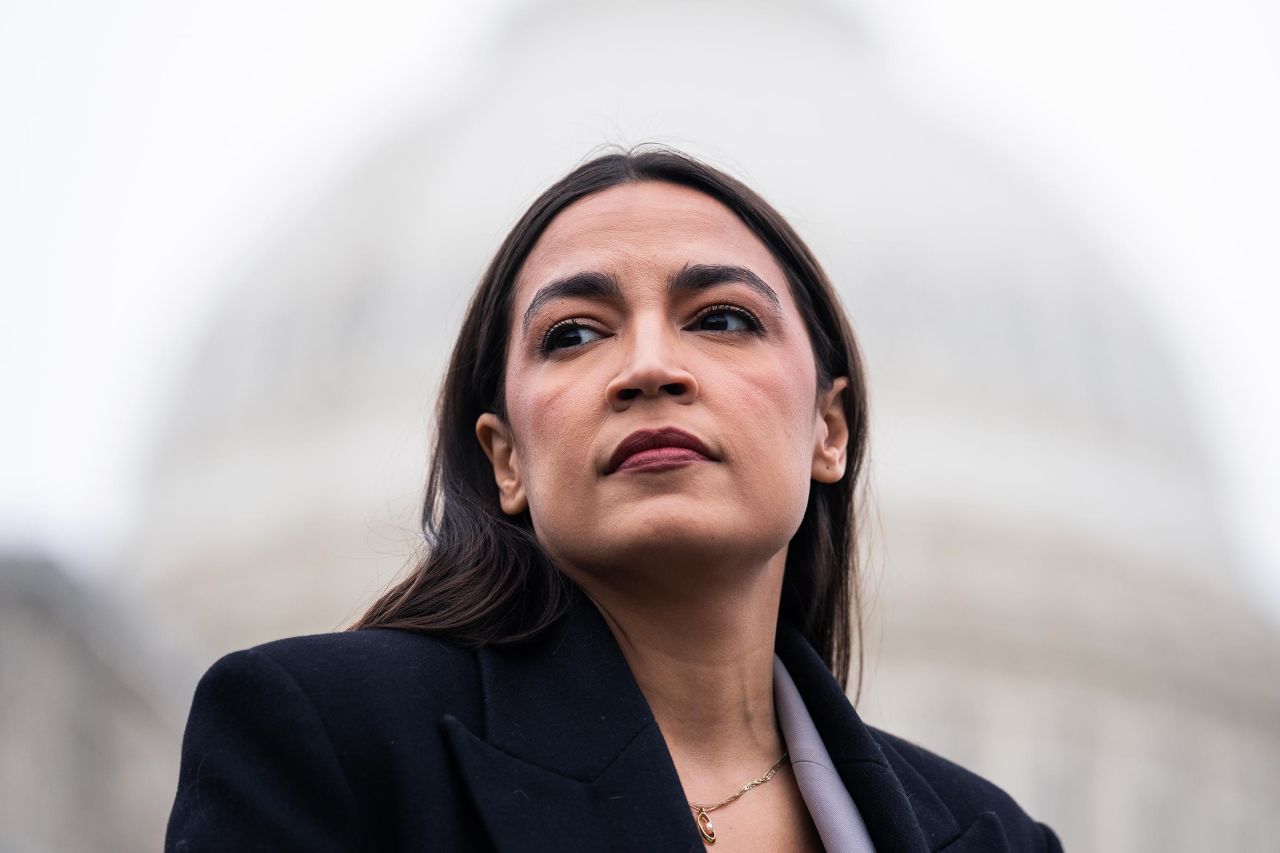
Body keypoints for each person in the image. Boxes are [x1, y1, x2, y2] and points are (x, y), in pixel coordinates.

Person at [165, 147, 1064, 852]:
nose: (649, 368)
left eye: (721, 318)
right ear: (505, 459)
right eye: (574, 334)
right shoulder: (332, 738)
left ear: (830, 429)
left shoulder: (996, 838)